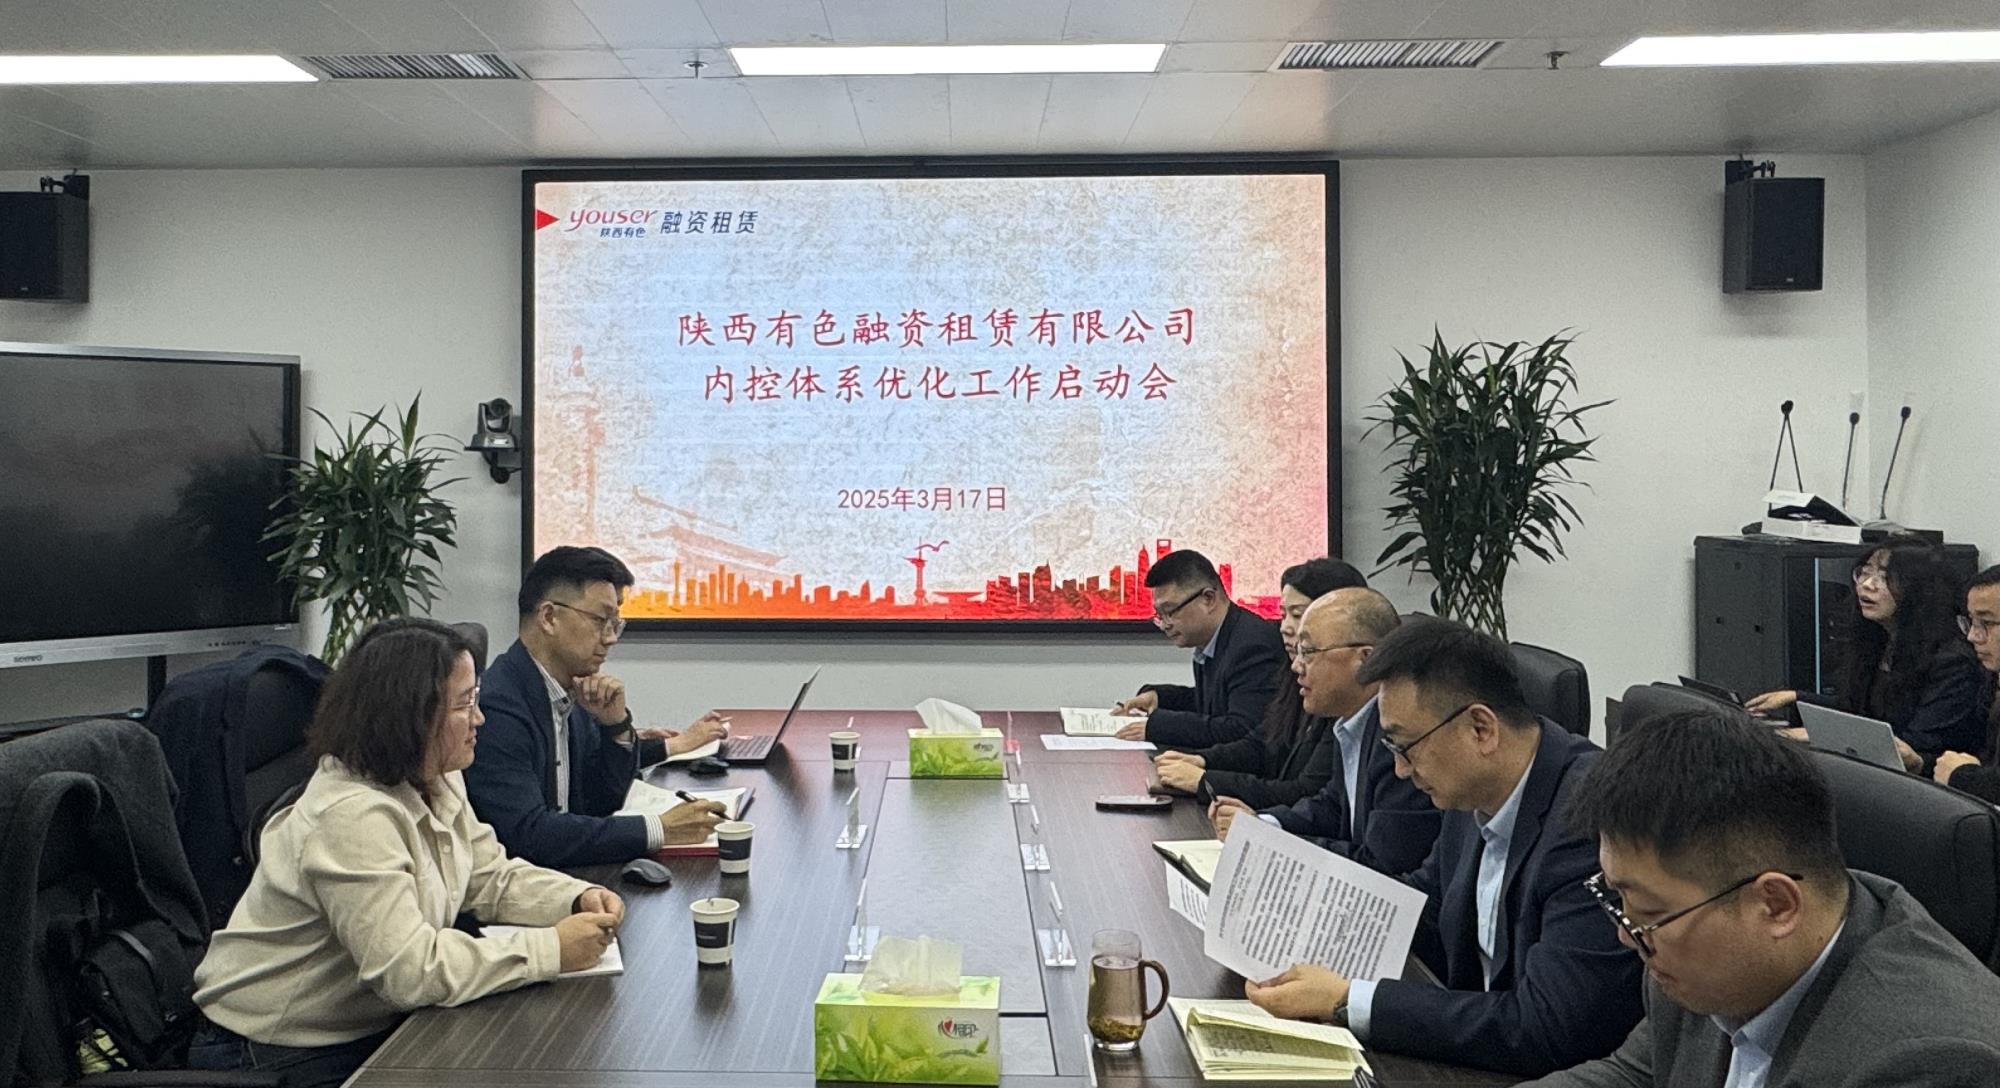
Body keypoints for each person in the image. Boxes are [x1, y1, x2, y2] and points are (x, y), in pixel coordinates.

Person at [192, 619, 626, 1088]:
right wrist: (551, 949)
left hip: (366, 1023)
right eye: (464, 704)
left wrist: (574, 897)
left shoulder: (436, 774)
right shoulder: (351, 815)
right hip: (275, 1051)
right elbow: (409, 972)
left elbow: (487, 877)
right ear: (411, 716)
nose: (479, 718)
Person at [1243, 618, 1641, 1077]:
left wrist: (1347, 1000)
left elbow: (1545, 1026)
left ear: (1480, 729)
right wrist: (1297, 915)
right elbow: (1424, 905)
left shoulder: (1585, 818)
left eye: (1405, 747)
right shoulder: (1471, 790)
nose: (1399, 770)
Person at [1519, 710, 2000, 1088]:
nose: (1627, 935)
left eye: (1648, 912)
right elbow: (1633, 1075)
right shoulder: (1692, 941)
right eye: (1618, 897)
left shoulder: (1930, 1062)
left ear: (1776, 906)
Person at [464, 546, 725, 868]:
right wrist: (660, 829)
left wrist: (615, 726)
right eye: (601, 620)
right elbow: (527, 835)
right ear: (549, 617)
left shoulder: (570, 691)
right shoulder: (497, 707)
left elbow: (603, 801)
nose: (611, 638)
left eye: (615, 623)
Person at [1209, 593, 1441, 877]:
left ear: (1366, 659)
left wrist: (1271, 843)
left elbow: (1383, 865)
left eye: (1308, 651)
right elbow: (1332, 806)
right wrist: (1265, 824)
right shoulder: (1352, 722)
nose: (1296, 665)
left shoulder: (1399, 737)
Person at [1747, 536, 1985, 774]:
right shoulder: (1879, 640)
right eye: (1865, 572)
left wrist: (1823, 735)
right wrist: (1797, 697)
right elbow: (1859, 709)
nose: (1867, 584)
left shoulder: (1952, 661)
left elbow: (1916, 744)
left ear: (1918, 589)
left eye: (1885, 577)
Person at [1153, 559, 1367, 806]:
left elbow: (1307, 794)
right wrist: (1202, 760)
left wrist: (1205, 780)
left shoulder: (1346, 697)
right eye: (1283, 615)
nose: (1285, 628)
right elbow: (1265, 742)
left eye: (1298, 615)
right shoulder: (1295, 673)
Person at [1110, 548, 1286, 749]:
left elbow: (1240, 729)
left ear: (1208, 599)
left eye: (1170, 611)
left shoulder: (1253, 645)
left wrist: (1160, 726)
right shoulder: (1213, 640)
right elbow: (1214, 704)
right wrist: (1160, 698)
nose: (1165, 624)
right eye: (1159, 615)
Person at [1934, 565, 2000, 802]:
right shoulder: (1989, 680)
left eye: (1986, 623)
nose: (1972, 636)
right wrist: (1922, 761)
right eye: (1971, 621)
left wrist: (1962, 777)